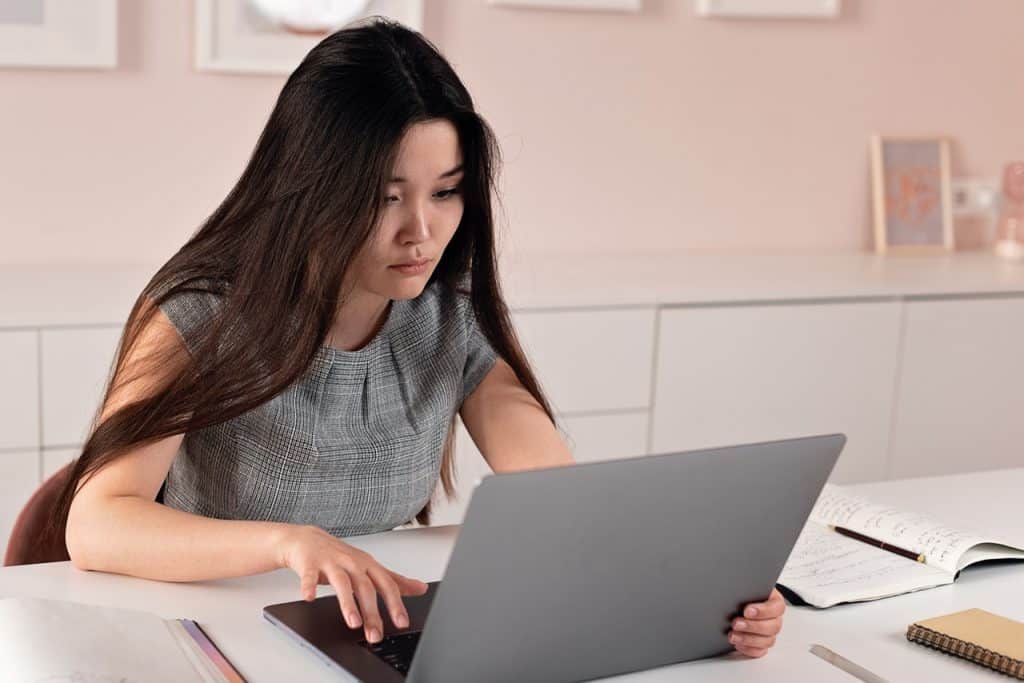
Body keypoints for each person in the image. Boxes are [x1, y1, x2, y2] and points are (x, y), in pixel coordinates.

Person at [44, 16, 783, 656]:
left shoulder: (445, 319)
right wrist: (287, 540)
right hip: (212, 636)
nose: (420, 231)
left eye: (445, 192)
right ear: (312, 183)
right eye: (385, 197)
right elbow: (98, 522)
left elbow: (565, 501)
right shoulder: (198, 314)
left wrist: (707, 595)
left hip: (369, 631)